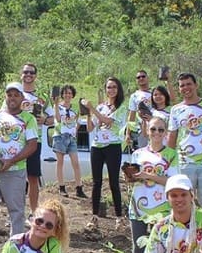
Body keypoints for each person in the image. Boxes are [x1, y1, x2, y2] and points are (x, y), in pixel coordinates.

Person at [121, 118, 178, 253]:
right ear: (147, 131)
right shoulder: (138, 153)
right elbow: (132, 178)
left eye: (161, 129)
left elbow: (172, 180)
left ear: (165, 132)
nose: (156, 133)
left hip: (161, 207)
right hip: (138, 205)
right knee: (138, 245)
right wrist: (130, 176)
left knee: (159, 246)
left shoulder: (171, 154)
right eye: (153, 129)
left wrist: (148, 175)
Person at [0, 82, 38, 235]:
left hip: (15, 172)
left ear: (22, 97)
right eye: (9, 95)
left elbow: (32, 145)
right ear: (5, 97)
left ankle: (15, 247)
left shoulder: (28, 119)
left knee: (17, 213)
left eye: (16, 95)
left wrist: (11, 161)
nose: (12, 98)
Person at [167, 73, 202, 213]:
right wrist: (168, 160)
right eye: (182, 85)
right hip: (185, 162)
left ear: (196, 85)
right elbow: (172, 136)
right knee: (184, 203)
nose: (186, 88)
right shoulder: (176, 110)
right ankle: (186, 227)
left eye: (189, 84)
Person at [86, 77, 129, 218]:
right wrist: (88, 113)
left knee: (113, 183)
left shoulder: (121, 108)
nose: (111, 90)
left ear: (119, 89)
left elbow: (107, 120)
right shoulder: (100, 107)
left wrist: (92, 108)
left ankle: (119, 217)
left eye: (114, 87)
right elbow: (90, 128)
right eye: (109, 87)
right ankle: (94, 216)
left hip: (113, 146)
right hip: (97, 146)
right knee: (96, 182)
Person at [18, 64, 52, 212]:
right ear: (21, 74)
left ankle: (33, 213)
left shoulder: (42, 96)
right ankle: (16, 213)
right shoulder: (14, 93)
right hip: (16, 140)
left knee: (33, 177)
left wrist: (44, 120)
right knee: (16, 178)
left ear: (35, 76)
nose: (28, 75)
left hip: (34, 141)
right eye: (26, 72)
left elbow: (53, 119)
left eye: (31, 72)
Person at [52, 85, 85, 199]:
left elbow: (79, 121)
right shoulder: (58, 106)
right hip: (60, 136)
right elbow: (57, 119)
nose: (68, 95)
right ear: (62, 94)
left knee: (76, 163)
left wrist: (75, 130)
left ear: (72, 95)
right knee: (60, 162)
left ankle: (79, 188)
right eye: (65, 93)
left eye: (70, 93)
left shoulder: (75, 108)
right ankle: (61, 187)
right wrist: (56, 104)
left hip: (71, 137)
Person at [127, 70, 155, 147]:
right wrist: (128, 134)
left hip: (157, 127)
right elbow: (131, 116)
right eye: (138, 77)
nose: (141, 78)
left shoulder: (155, 93)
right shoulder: (134, 96)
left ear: (147, 78)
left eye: (143, 76)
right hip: (143, 130)